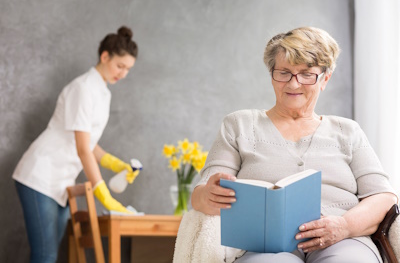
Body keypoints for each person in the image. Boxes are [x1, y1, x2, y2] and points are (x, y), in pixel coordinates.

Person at [191, 27, 398, 263]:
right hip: (264, 245)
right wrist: (209, 194)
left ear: (325, 78)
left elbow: (384, 197)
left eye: (306, 74)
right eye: (284, 73)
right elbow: (199, 194)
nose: (294, 84)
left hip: (343, 240)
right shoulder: (239, 124)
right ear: (272, 74)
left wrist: (344, 226)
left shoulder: (347, 131)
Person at [12, 26, 140, 263]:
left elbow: (90, 144)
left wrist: (117, 165)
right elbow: (83, 149)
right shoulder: (83, 89)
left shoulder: (103, 92)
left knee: (51, 254)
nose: (123, 74)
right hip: (39, 175)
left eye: (128, 69)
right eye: (120, 66)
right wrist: (105, 195)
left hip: (61, 182)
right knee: (45, 255)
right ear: (105, 56)